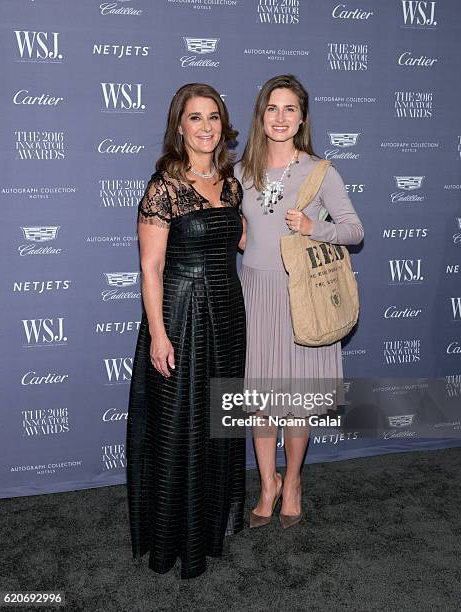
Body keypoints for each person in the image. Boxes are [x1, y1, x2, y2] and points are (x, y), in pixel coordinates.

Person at [126, 83, 246, 579]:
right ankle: (173, 538)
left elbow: (239, 239)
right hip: (180, 312)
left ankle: (212, 525)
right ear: (179, 126)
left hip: (227, 311)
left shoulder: (232, 181)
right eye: (195, 118)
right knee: (179, 423)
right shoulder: (163, 187)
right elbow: (151, 268)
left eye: (213, 117)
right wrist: (158, 333)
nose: (205, 127)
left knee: (220, 417)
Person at [235, 74, 364, 529]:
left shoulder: (320, 172)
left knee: (298, 396)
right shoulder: (240, 171)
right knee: (262, 397)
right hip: (254, 294)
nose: (281, 118)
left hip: (300, 296)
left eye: (290, 109)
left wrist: (315, 228)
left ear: (303, 118)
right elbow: (240, 228)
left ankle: (292, 482)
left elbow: (354, 230)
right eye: (273, 108)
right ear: (261, 115)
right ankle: (266, 484)